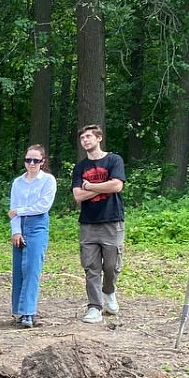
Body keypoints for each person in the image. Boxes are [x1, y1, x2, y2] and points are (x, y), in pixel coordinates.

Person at [71, 124, 126, 324]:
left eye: (88, 137)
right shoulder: (80, 167)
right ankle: (94, 306)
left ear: (99, 138)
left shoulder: (114, 160)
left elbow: (117, 185)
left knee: (111, 265)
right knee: (91, 267)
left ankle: (109, 291)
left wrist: (91, 186)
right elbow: (78, 196)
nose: (85, 140)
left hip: (112, 220)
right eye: (82, 138)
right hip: (88, 223)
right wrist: (104, 188)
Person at [9, 144, 57, 328]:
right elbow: (12, 209)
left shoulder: (48, 180)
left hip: (38, 225)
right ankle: (18, 312)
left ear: (42, 162)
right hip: (20, 225)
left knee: (32, 268)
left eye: (36, 160)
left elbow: (43, 206)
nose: (31, 163)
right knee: (19, 270)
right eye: (28, 160)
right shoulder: (17, 182)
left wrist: (19, 211)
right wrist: (16, 231)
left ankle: (28, 312)